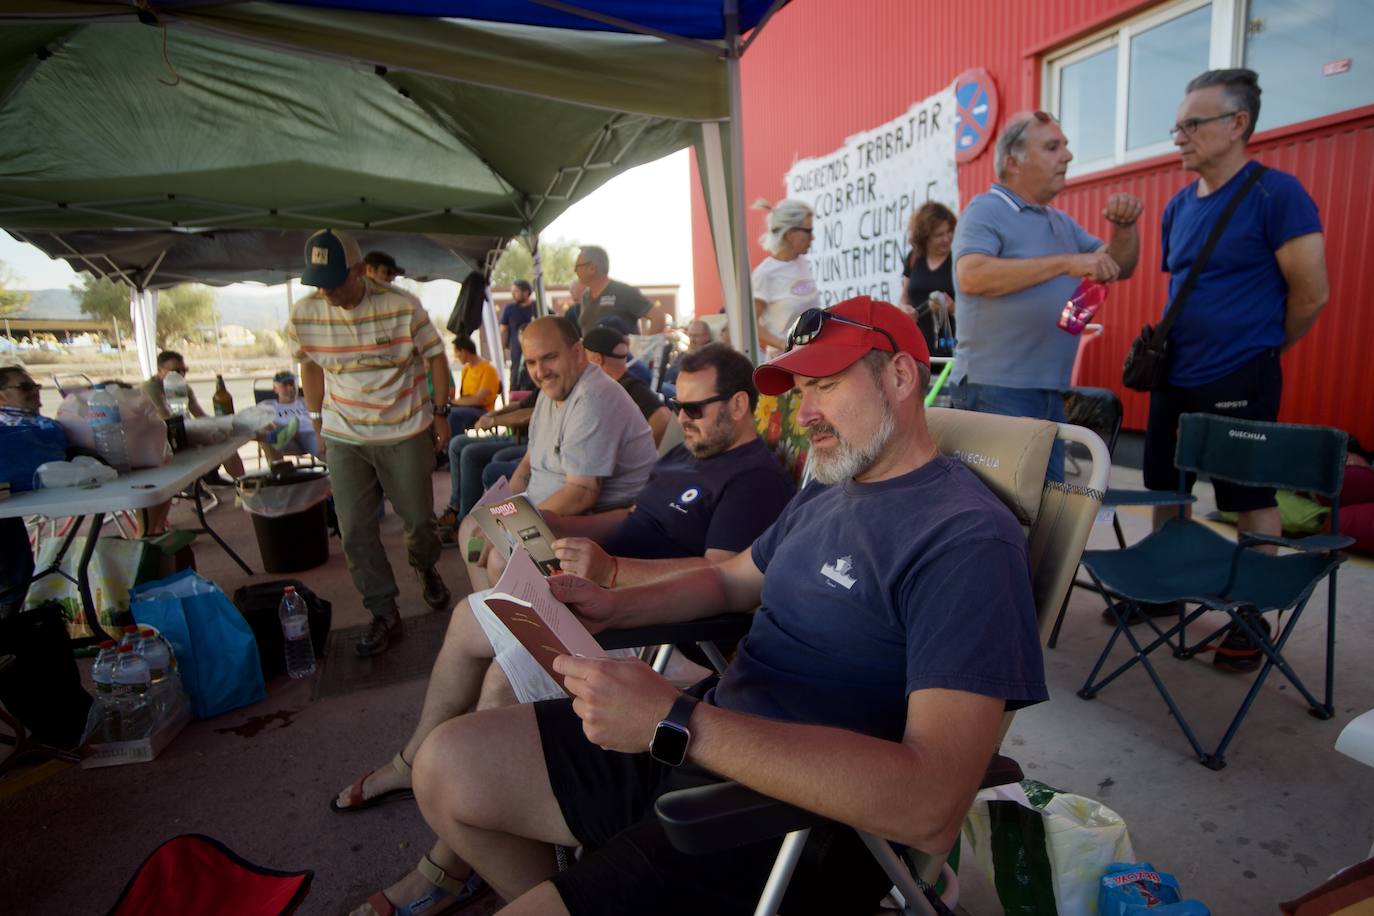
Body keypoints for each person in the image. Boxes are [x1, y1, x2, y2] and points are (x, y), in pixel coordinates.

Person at [401, 296, 1044, 916]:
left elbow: (931, 805)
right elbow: (733, 581)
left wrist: (677, 721)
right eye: (798, 390)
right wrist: (613, 607)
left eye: (825, 383)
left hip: (786, 824)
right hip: (700, 737)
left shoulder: (964, 539)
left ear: (901, 374)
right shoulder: (830, 488)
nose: (804, 412)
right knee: (445, 768)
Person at [335, 343, 796, 916]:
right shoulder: (684, 456)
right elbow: (631, 520)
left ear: (739, 406)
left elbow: (722, 570)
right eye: (677, 406)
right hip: (598, 591)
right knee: (475, 617)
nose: (682, 419)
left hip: (653, 626)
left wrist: (614, 575)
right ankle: (431, 788)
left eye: (695, 409)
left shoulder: (753, 479)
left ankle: (449, 861)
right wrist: (551, 521)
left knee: (503, 673)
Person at [1144, 69, 1328, 544]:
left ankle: (1250, 610)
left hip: (1241, 377)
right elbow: (1186, 287)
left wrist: (1261, 348)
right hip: (1175, 376)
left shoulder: (1277, 194)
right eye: (1177, 128)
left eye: (1193, 125)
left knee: (1250, 497)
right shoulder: (1177, 207)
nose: (1179, 138)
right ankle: (1164, 589)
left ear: (1237, 123)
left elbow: (1311, 294)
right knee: (1167, 490)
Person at [950, 110, 1143, 481]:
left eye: (1065, 147)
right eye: (1053, 147)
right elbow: (972, 276)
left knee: (1044, 508)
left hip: (1048, 391)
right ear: (1013, 162)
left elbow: (1118, 265)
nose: (1067, 156)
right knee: (1003, 511)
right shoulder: (986, 210)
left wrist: (1124, 228)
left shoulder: (1058, 220)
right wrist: (1066, 263)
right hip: (995, 390)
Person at [289, 229, 453, 657]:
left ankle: (425, 565)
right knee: (355, 530)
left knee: (418, 520)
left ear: (360, 271)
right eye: (318, 281)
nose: (325, 290)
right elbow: (309, 366)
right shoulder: (305, 314)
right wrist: (317, 418)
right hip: (344, 434)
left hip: (404, 427)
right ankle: (383, 611)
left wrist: (440, 412)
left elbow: (436, 355)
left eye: (335, 280)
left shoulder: (402, 307)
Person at [507, 316, 657, 517]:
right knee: (472, 528)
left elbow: (581, 495)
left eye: (549, 357)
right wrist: (502, 513)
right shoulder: (549, 393)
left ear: (577, 353)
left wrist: (512, 527)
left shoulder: (593, 397)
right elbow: (528, 463)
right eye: (531, 362)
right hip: (545, 515)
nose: (540, 372)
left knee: (493, 546)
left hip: (591, 522)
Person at [141, 349, 247, 483]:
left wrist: (221, 424)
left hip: (184, 431)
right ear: (160, 370)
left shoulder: (182, 386)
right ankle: (207, 479)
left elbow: (199, 413)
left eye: (183, 370)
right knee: (218, 439)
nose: (181, 374)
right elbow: (166, 419)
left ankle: (242, 484)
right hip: (164, 438)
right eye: (175, 371)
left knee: (226, 441)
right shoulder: (150, 388)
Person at [751, 198, 820, 358]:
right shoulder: (765, 273)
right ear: (790, 234)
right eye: (808, 231)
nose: (813, 238)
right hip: (784, 363)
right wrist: (785, 344)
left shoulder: (802, 263)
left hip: (812, 357)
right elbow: (751, 325)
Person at [581, 326, 671, 448]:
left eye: (584, 357)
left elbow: (663, 417)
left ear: (597, 360)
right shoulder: (620, 387)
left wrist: (639, 454)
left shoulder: (631, 390)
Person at [900, 200, 959, 359]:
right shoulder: (913, 259)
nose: (947, 238)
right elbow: (904, 297)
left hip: (952, 352)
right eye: (939, 235)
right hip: (918, 352)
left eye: (950, 232)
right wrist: (905, 311)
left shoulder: (959, 260)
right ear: (925, 237)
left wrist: (952, 309)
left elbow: (976, 310)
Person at [572, 246, 661, 336]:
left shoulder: (624, 292)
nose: (575, 271)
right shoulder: (585, 296)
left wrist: (647, 348)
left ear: (592, 268)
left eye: (577, 267)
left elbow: (658, 317)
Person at [447, 336, 500, 435]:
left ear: (463, 351)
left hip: (483, 410)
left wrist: (454, 402)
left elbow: (478, 400)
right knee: (442, 412)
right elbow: (463, 397)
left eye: (456, 352)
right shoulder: (466, 369)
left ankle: (455, 446)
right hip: (466, 408)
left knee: (452, 414)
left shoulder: (488, 370)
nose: (455, 356)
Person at [260, 370, 319, 457]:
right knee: (264, 429)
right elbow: (254, 420)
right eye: (285, 385)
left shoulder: (306, 401)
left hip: (311, 434)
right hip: (286, 440)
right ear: (275, 389)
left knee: (327, 445)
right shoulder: (267, 405)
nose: (290, 388)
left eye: (292, 384)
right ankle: (278, 466)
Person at [500, 280, 537, 389]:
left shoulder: (538, 306)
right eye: (512, 291)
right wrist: (502, 350)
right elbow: (504, 330)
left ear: (526, 292)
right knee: (515, 379)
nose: (513, 294)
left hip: (535, 351)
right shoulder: (509, 309)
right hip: (516, 353)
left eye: (516, 291)